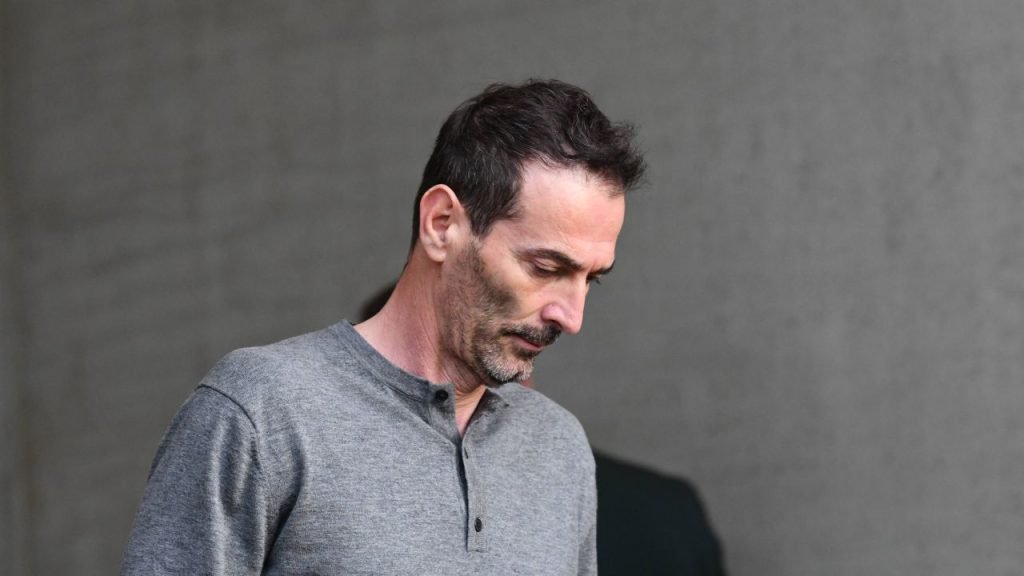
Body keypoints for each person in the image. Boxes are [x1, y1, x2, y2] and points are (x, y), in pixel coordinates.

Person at [122, 79, 645, 575]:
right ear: (441, 224)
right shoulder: (263, 411)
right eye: (545, 268)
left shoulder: (558, 447)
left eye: (591, 279)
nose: (571, 317)